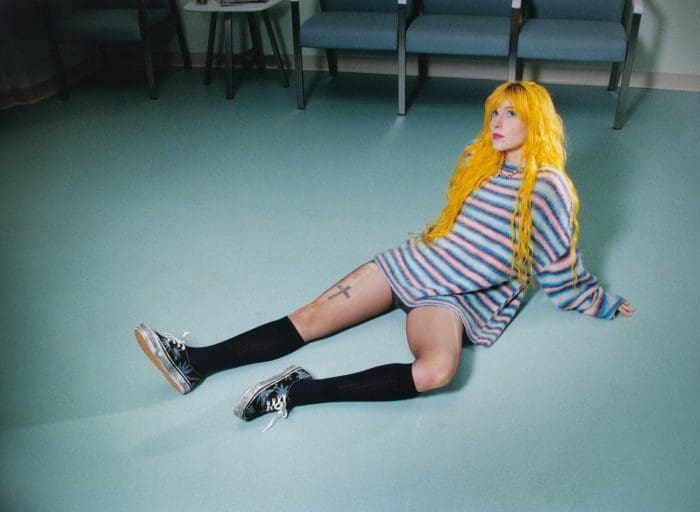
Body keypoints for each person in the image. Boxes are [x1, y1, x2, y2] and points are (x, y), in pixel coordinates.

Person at [135, 81, 634, 431]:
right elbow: (458, 230)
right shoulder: (483, 165)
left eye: (511, 114)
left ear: (536, 122)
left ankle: (296, 391)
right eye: (495, 112)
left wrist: (598, 301)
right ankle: (196, 362)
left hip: (456, 298)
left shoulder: (548, 186)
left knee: (437, 371)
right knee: (311, 316)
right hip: (415, 264)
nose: (497, 123)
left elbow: (559, 261)